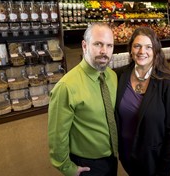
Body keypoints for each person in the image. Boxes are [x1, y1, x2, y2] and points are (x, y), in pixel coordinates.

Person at [48, 22, 118, 176]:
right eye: (98, 44)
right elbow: (57, 137)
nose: (104, 51)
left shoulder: (112, 77)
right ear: (84, 46)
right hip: (87, 164)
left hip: (112, 157)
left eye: (109, 45)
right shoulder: (66, 87)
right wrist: (68, 168)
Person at [115, 26, 170, 176]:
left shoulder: (169, 84)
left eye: (148, 47)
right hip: (126, 153)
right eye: (137, 46)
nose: (142, 52)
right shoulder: (120, 75)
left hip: (152, 159)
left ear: (156, 51)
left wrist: (164, 171)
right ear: (130, 49)